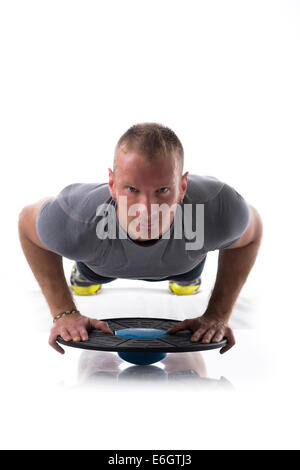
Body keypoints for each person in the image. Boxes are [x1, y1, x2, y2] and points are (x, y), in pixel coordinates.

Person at [18, 122, 263, 355]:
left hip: (184, 264)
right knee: (89, 272)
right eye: (132, 189)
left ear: (182, 186)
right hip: (99, 264)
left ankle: (188, 280)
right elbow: (27, 225)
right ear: (112, 184)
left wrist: (218, 314)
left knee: (187, 274)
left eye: (163, 190)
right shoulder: (75, 219)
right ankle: (84, 278)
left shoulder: (217, 209)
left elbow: (251, 234)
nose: (146, 209)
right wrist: (63, 311)